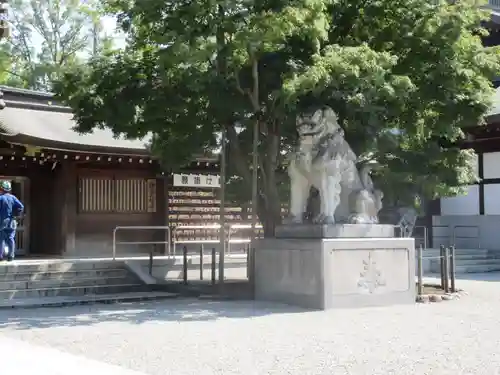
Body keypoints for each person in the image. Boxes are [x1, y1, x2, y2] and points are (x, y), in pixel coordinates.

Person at [0, 180, 23, 261]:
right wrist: (16, 215)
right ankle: (11, 256)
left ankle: (1, 256)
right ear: (9, 189)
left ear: (1, 189)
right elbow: (21, 206)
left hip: (2, 221)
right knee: (11, 238)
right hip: (12, 221)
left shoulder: (1, 198)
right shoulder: (13, 198)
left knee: (1, 239)